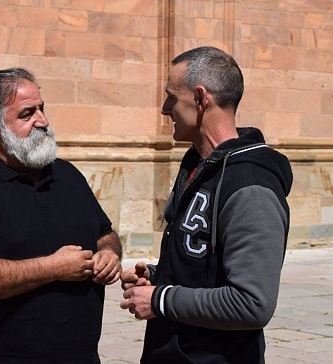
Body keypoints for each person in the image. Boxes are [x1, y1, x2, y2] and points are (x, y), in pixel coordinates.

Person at [0, 67, 122, 363]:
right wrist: (52, 268)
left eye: (42, 109)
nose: (43, 121)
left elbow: (105, 233)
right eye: (27, 114)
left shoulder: (68, 176)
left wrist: (109, 254)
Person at [120, 46, 293, 363]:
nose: (164, 108)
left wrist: (161, 299)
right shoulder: (197, 164)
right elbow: (207, 267)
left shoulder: (251, 187)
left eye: (172, 97)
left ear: (200, 99)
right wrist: (161, 275)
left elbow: (252, 303)